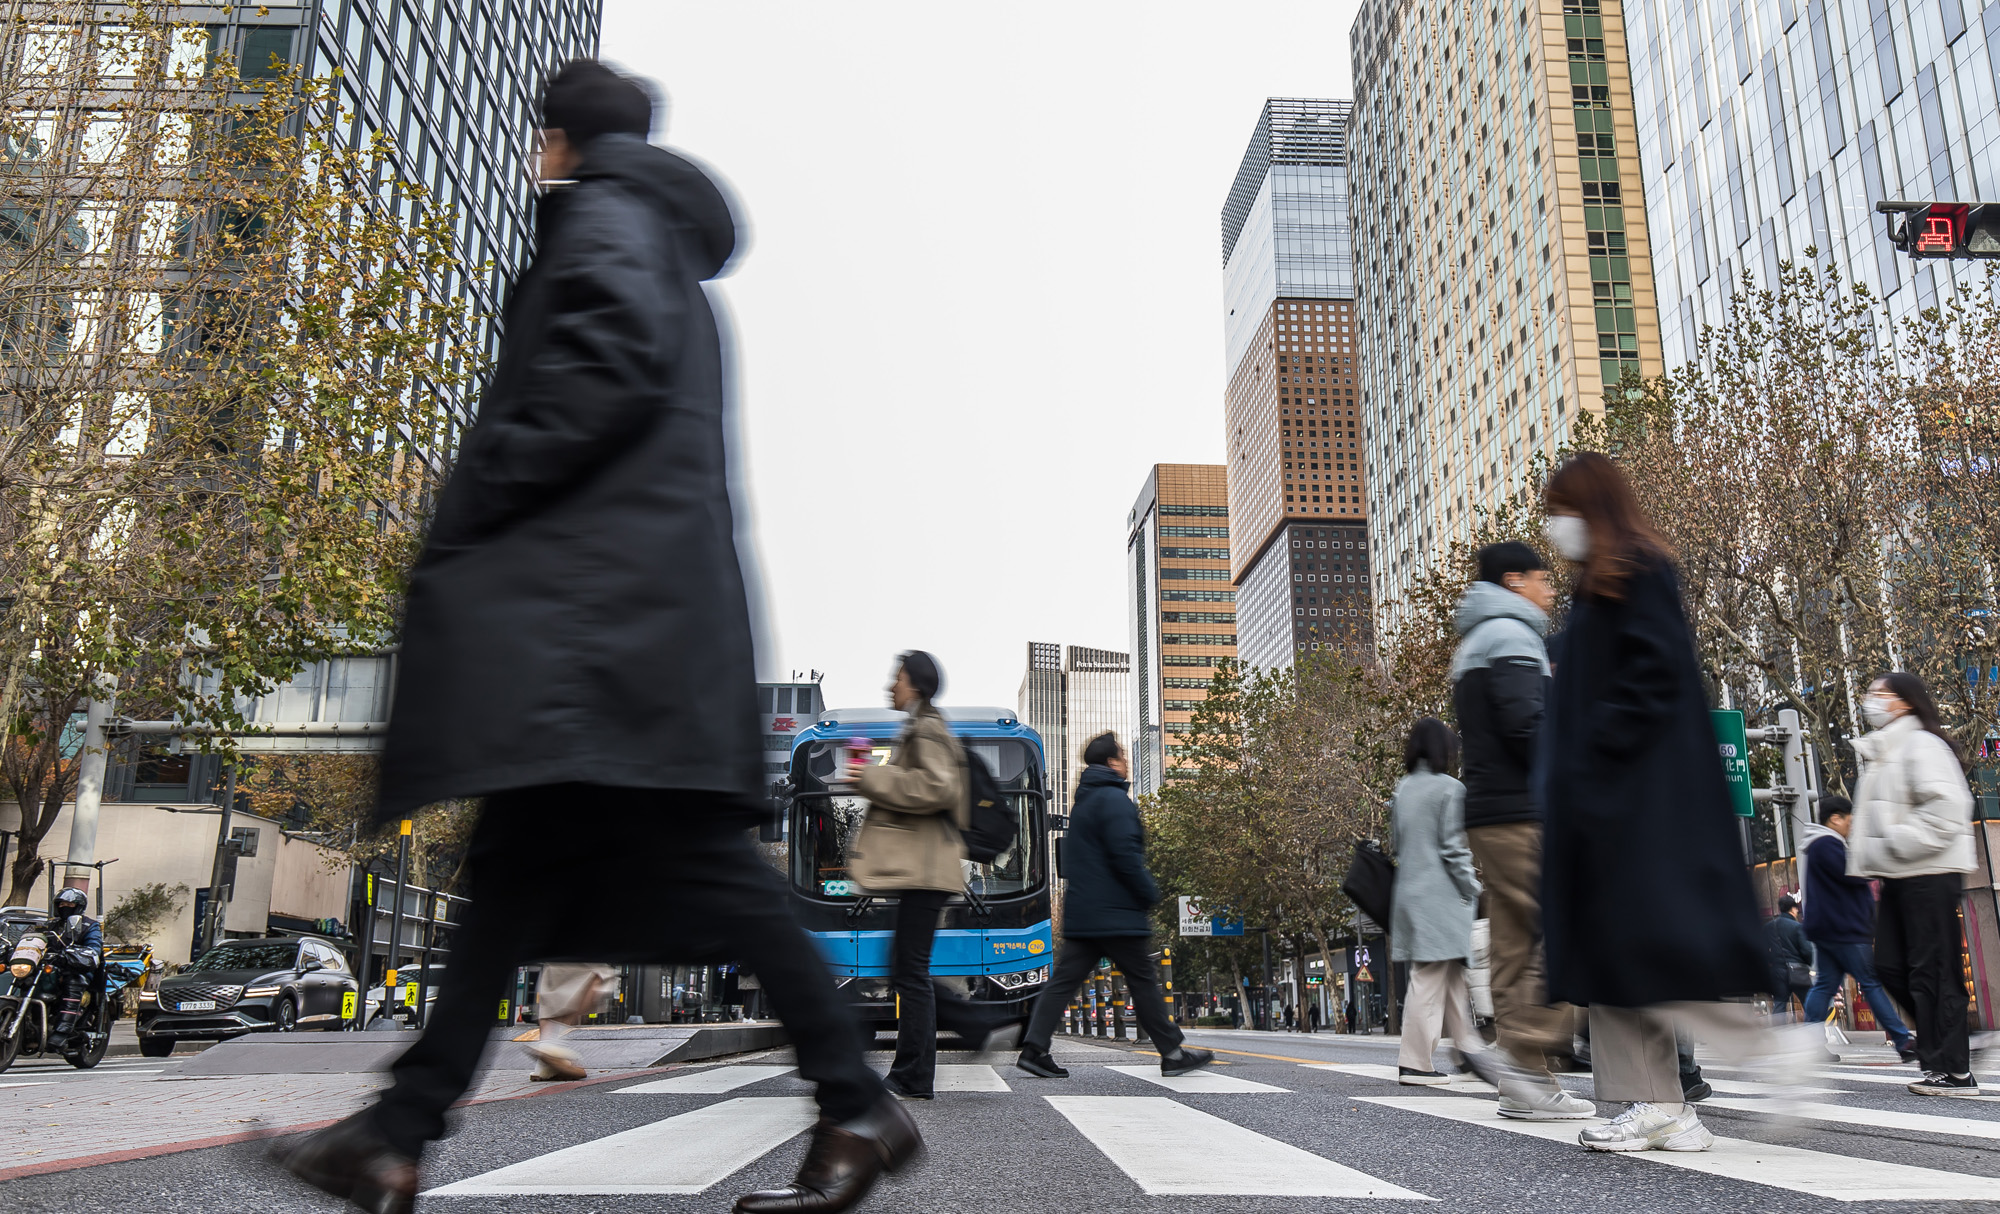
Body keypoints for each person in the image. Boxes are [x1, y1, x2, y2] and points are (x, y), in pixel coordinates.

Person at [272, 62, 909, 1214]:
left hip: (597, 632)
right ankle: (398, 1130)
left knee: (698, 870)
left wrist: (474, 502)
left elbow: (596, 370)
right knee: (513, 868)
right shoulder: (652, 235)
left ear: (554, 140)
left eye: (536, 142)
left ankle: (853, 1095)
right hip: (616, 629)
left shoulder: (603, 220)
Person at [1539, 452, 1785, 1153]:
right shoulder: (1603, 583)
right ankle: (1666, 1110)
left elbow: (1652, 678)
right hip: (1611, 802)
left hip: (1631, 802)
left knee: (1634, 957)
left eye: (1561, 509)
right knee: (1618, 960)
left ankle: (1690, 1087)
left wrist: (1591, 753)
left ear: (1590, 507)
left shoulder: (1638, 571)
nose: (1555, 526)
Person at [1451, 541, 1591, 1119]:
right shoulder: (1510, 635)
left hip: (1490, 810)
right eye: (1542, 578)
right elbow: (1526, 722)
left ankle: (1525, 1084)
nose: (1551, 588)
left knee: (1513, 941)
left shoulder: (1475, 639)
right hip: (1523, 809)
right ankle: (1524, 1053)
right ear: (1514, 581)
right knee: (1561, 926)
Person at [847, 650, 1012, 1099]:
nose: (890, 685)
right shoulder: (921, 727)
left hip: (927, 869)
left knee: (909, 972)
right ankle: (964, 1031)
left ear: (916, 683)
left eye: (897, 677)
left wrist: (870, 776)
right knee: (906, 969)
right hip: (923, 868)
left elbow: (937, 788)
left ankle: (918, 1071)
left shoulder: (928, 728)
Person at [1016, 732, 1214, 1079]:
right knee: (1142, 980)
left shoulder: (1083, 803)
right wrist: (1148, 893)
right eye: (1122, 757)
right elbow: (1126, 856)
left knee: (1063, 982)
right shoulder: (1114, 800)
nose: (1125, 764)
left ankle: (1034, 1049)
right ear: (1112, 762)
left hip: (1085, 913)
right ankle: (1172, 1052)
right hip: (1117, 914)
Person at [1847, 671, 1977, 1095]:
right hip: (1899, 875)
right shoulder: (1888, 751)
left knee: (1934, 971)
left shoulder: (1921, 744)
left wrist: (1894, 843)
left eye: (1880, 694)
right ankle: (1943, 1049)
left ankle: (1954, 1069)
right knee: (1887, 964)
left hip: (1930, 873)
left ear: (1904, 702)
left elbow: (1948, 808)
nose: (1871, 700)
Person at [1389, 718, 1494, 1086]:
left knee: (1450, 977)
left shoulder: (1402, 789)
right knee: (1431, 977)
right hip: (1441, 897)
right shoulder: (1450, 789)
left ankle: (1470, 1053)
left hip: (1409, 894)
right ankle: (1414, 1063)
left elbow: (1396, 844)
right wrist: (1473, 887)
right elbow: (1453, 849)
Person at [1800, 795, 1918, 1063]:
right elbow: (1853, 872)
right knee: (1871, 983)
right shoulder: (1826, 844)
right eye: (1849, 820)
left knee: (1825, 986)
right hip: (1844, 929)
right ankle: (1903, 1040)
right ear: (1835, 818)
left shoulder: (1821, 845)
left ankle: (1812, 1046)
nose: (1851, 827)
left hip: (1831, 929)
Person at [42, 887, 101, 1051]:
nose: (64, 906)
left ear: (78, 906)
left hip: (77, 968)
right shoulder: (50, 925)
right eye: (61, 903)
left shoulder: (89, 926)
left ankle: (62, 1031)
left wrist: (76, 954)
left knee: (73, 981)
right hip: (50, 967)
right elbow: (33, 938)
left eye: (69, 903)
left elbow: (94, 947)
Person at [1765, 895, 1814, 1022]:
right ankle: (1817, 1035)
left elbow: (1763, 949)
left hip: (1778, 971)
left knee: (1780, 1004)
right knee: (1808, 1003)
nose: (1797, 912)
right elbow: (1807, 950)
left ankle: (1779, 1038)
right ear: (1793, 909)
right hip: (1798, 971)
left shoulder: (1769, 927)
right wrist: (1807, 963)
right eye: (1797, 909)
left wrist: (1773, 961)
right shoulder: (1797, 927)